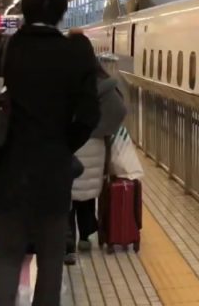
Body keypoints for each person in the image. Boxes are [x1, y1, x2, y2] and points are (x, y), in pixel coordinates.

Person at [0, 0, 100, 306]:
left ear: (26, 10)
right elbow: (88, 116)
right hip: (52, 174)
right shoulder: (74, 53)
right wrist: (60, 146)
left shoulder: (4, 48)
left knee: (6, 254)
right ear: (61, 12)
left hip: (5, 169)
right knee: (51, 258)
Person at [65, 40, 127, 265]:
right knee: (88, 191)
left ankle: (68, 244)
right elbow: (120, 110)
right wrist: (98, 129)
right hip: (95, 145)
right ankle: (85, 235)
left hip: (70, 143)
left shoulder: (63, 80)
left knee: (68, 192)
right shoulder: (102, 81)